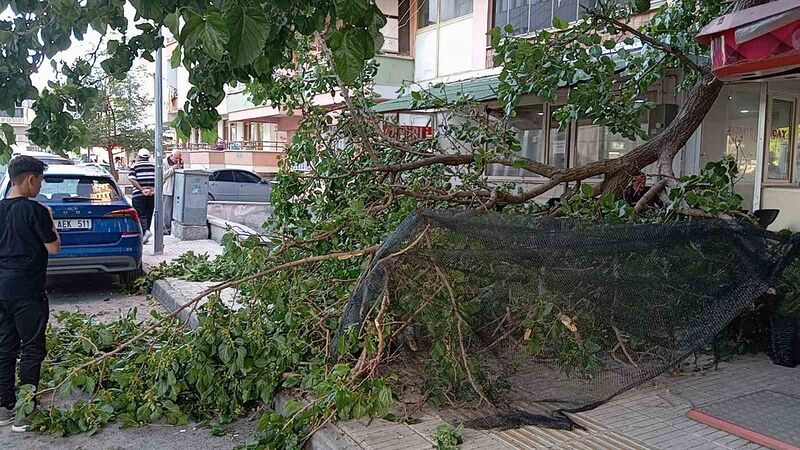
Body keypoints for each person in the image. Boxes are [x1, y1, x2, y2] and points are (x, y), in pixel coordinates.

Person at [0, 156, 61, 431]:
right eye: (41, 180)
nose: (41, 185)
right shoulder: (36, 211)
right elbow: (53, 248)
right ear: (30, 179)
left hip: (1, 289)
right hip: (28, 290)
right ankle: (25, 409)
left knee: (4, 347)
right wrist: (51, 221)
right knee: (32, 348)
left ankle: (5, 406)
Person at [129, 148, 156, 244]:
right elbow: (159, 178)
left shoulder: (134, 166)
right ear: (148, 157)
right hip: (152, 194)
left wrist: (142, 189)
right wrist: (152, 189)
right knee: (149, 214)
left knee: (140, 214)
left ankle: (145, 231)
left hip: (138, 194)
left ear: (139, 156)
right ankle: (146, 234)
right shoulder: (154, 166)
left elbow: (132, 179)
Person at [162, 150, 183, 235]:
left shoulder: (179, 163)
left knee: (175, 211)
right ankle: (165, 230)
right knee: (166, 212)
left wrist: (181, 166)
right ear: (171, 156)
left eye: (179, 158)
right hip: (167, 190)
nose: (177, 160)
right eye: (176, 158)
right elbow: (162, 175)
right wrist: (173, 169)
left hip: (177, 190)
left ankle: (172, 229)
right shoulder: (164, 163)